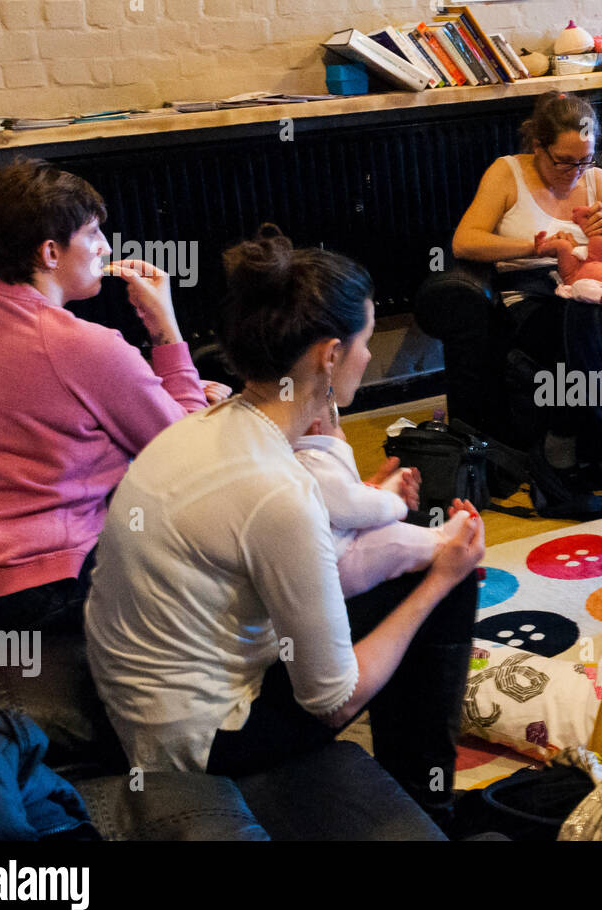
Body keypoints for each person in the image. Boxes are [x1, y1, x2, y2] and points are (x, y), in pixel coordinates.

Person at [85, 225, 484, 823]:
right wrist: (439, 580)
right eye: (366, 340)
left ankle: (422, 794)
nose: (370, 356)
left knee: (413, 554)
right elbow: (331, 701)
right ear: (329, 354)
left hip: (138, 691)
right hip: (198, 739)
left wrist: (368, 502)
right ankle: (429, 806)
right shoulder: (281, 494)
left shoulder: (210, 425)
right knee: (442, 579)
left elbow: (288, 539)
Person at [0, 161, 215, 632]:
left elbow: (45, 394)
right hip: (42, 586)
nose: (106, 247)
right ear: (50, 251)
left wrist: (138, 390)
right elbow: (188, 454)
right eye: (92, 234)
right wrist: (165, 329)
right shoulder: (89, 345)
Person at [452, 91, 602, 475]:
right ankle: (565, 438)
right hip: (533, 290)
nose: (576, 172)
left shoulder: (599, 180)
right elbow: (465, 241)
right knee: (582, 324)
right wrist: (537, 247)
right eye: (564, 162)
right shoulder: (506, 173)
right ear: (539, 146)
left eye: (585, 160)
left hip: (601, 281)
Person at [295, 409, 474, 596]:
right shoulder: (315, 459)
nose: (344, 434)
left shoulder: (292, 458)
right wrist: (397, 505)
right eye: (338, 425)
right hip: (341, 562)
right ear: (318, 429)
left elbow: (340, 500)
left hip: (336, 554)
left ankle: (439, 533)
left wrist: (377, 487)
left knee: (396, 521)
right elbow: (352, 507)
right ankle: (441, 538)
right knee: (393, 537)